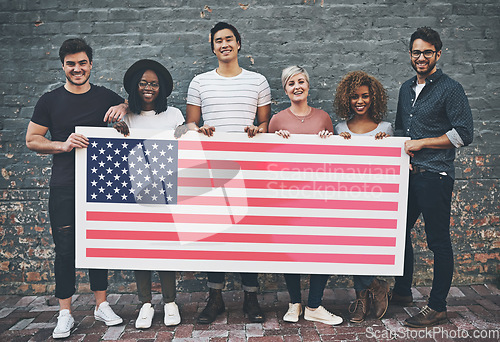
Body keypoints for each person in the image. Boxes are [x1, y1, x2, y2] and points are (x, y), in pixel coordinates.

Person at [25, 38, 128, 339]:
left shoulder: (105, 97)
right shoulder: (50, 101)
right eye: (71, 64)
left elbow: (131, 105)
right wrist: (62, 144)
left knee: (97, 246)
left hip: (98, 185)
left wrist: (123, 105)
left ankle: (101, 305)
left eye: (82, 63)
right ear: (63, 66)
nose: (77, 68)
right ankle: (65, 313)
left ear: (91, 64)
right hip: (64, 185)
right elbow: (32, 139)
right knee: (65, 250)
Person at [185, 22, 271, 324]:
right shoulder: (199, 82)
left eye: (229, 39)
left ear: (238, 44)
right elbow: (190, 125)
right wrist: (199, 129)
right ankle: (215, 298)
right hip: (210, 166)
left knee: (248, 233)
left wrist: (256, 130)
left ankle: (251, 298)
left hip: (248, 168)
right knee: (215, 232)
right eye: (218, 40)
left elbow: (265, 126)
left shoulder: (258, 81)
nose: (224, 44)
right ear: (212, 47)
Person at [393, 27, 473, 328]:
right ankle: (402, 292)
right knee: (399, 232)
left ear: (438, 54)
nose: (421, 57)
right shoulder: (404, 88)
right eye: (417, 52)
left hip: (436, 175)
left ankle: (437, 306)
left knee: (438, 242)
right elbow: (401, 130)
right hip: (410, 175)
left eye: (428, 52)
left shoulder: (450, 88)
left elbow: (464, 134)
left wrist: (423, 143)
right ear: (410, 55)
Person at [114, 59, 185, 328]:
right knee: (140, 248)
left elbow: (186, 144)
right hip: (135, 192)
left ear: (162, 88)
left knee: (165, 247)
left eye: (154, 84)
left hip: (167, 191)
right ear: (135, 86)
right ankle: (145, 303)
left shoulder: (174, 115)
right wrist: (118, 130)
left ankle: (169, 302)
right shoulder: (127, 117)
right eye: (143, 83)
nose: (148, 87)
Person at [269, 66, 342, 326]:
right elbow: (267, 163)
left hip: (319, 195)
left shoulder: (323, 117)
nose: (297, 86)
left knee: (321, 247)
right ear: (285, 89)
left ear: (308, 85)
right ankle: (294, 303)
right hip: (287, 197)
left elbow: (334, 159)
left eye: (301, 81)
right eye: (291, 83)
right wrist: (275, 140)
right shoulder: (276, 120)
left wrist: (327, 138)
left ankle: (314, 304)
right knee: (290, 249)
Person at [333, 70, 392, 323]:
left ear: (373, 98)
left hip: (377, 200)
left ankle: (364, 296)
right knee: (352, 247)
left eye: (365, 96)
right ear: (347, 99)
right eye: (355, 96)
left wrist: (385, 143)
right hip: (348, 198)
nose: (360, 101)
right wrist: (339, 142)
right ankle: (372, 288)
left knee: (366, 248)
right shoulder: (339, 128)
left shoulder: (386, 128)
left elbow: (393, 166)